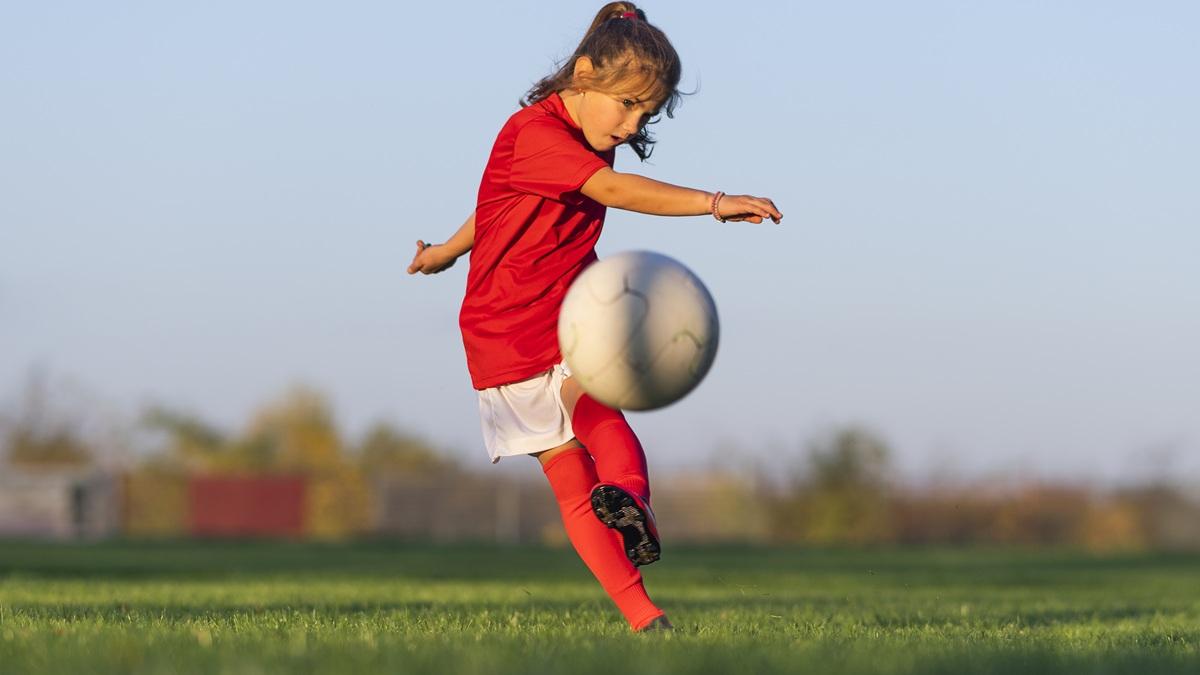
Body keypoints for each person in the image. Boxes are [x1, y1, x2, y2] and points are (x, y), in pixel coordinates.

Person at [408, 2, 782, 632]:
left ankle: (642, 594)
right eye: (627, 105)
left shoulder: (579, 133)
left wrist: (446, 249)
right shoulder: (535, 132)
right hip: (512, 326)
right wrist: (714, 203)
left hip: (560, 308)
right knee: (576, 459)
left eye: (647, 113)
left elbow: (497, 205)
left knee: (587, 437)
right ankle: (634, 521)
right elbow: (608, 192)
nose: (633, 124)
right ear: (583, 76)